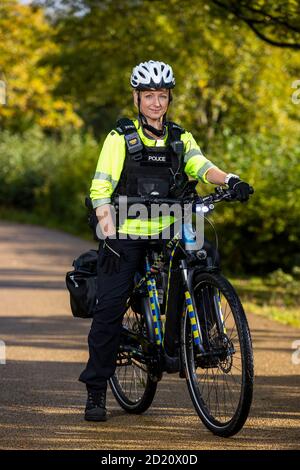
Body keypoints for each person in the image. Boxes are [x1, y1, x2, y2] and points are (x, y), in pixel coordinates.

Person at [79, 60, 252, 422]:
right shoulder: (119, 139)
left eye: (162, 95)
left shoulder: (180, 137)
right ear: (136, 98)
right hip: (127, 231)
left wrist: (230, 180)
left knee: (203, 257)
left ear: (169, 98)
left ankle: (201, 342)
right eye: (148, 96)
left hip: (172, 227)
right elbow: (100, 187)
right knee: (109, 308)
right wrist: (106, 223)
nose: (156, 103)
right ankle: (96, 389)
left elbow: (202, 166)